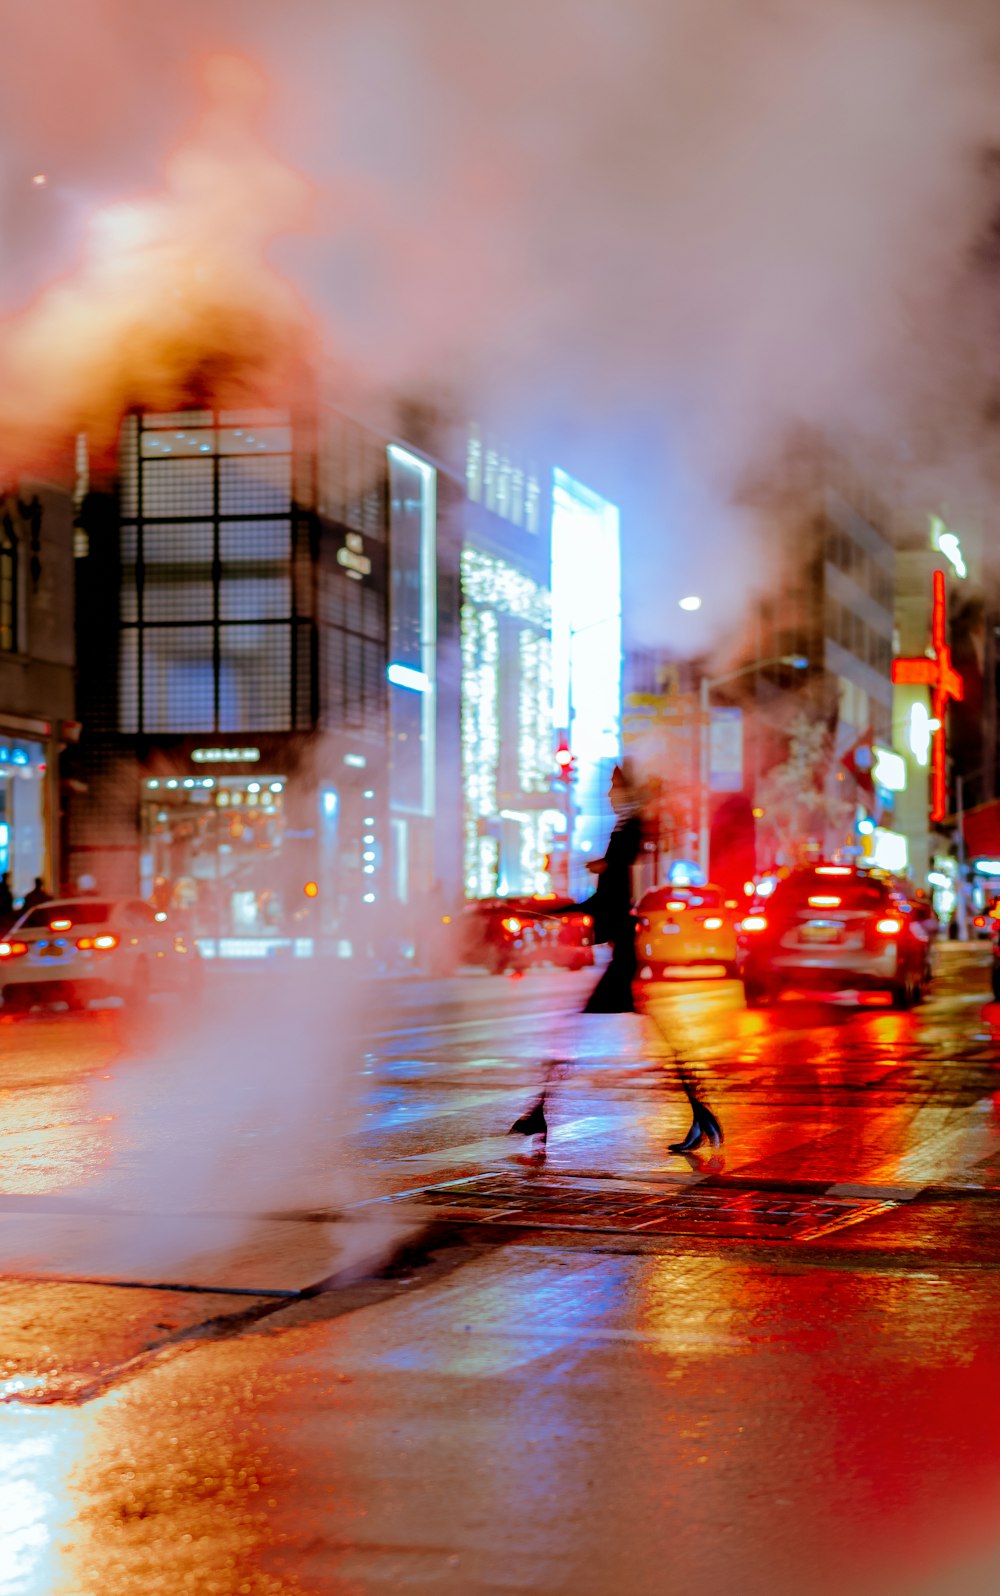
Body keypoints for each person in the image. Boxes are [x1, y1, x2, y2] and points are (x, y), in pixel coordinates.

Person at [509, 762, 723, 1156]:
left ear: (627, 794)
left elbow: (610, 894)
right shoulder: (622, 834)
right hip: (623, 951)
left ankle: (538, 1112)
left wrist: (576, 893)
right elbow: (605, 897)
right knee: (652, 1036)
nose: (608, 794)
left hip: (624, 954)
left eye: (614, 788)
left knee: (576, 1034)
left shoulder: (626, 832)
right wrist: (561, 907)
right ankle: (701, 1112)